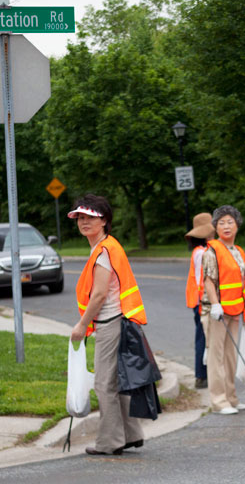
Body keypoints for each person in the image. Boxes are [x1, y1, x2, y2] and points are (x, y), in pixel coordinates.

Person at [68, 194, 146, 456]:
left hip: (111, 323)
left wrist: (81, 325)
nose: (84, 222)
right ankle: (131, 434)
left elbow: (100, 295)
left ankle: (110, 442)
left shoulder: (103, 251)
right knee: (117, 381)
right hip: (121, 322)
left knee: (104, 384)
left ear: (104, 220)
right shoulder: (108, 246)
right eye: (80, 217)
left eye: (90, 217)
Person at [201, 205, 245, 415]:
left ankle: (231, 397)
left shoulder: (238, 251)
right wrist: (215, 304)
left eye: (230, 222)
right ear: (215, 227)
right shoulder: (211, 251)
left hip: (235, 309)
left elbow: (241, 281)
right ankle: (219, 401)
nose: (226, 226)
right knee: (217, 356)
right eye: (221, 223)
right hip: (217, 312)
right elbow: (209, 280)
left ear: (237, 225)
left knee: (230, 356)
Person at [184, 212, 215, 390]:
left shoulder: (201, 251)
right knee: (203, 338)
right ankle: (201, 376)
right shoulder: (202, 253)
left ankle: (204, 374)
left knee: (204, 337)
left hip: (200, 301)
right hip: (202, 302)